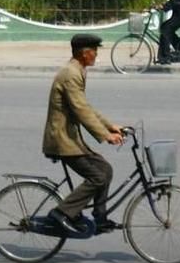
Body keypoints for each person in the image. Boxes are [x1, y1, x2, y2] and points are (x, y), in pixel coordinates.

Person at [43, 34, 124, 234]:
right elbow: (81, 110)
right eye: (94, 51)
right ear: (85, 53)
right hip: (62, 140)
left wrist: (110, 126)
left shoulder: (77, 70)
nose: (96, 55)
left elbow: (85, 107)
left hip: (69, 138)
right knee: (97, 177)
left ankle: (100, 217)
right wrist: (106, 136)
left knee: (105, 169)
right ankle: (62, 213)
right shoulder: (71, 74)